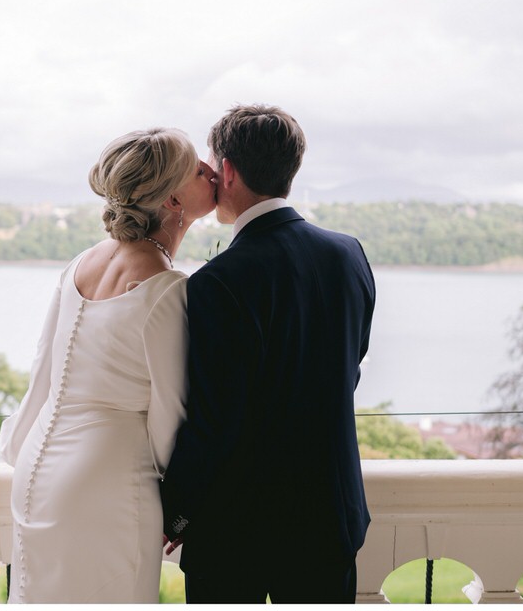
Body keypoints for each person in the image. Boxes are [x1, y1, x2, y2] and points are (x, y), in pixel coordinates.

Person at [160, 104, 376, 604]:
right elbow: (349, 369)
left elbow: (214, 420)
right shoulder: (349, 254)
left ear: (229, 171)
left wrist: (176, 512)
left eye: (214, 164)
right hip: (330, 515)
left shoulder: (218, 282)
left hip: (238, 529)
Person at [0, 128, 216, 602]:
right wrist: (175, 501)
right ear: (175, 200)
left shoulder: (82, 262)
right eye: (199, 169)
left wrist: (18, 447)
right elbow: (168, 413)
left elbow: (43, 372)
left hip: (38, 469)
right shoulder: (166, 285)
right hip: (109, 480)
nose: (212, 172)